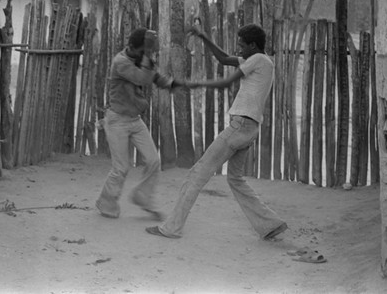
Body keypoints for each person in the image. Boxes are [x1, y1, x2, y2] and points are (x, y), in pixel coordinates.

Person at [146, 23, 288, 240]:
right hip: (249, 128)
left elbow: (225, 82)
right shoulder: (260, 61)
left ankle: (171, 228)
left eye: (242, 45)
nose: (239, 49)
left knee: (197, 173)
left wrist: (191, 84)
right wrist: (204, 36)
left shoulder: (258, 60)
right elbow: (223, 59)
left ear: (253, 45)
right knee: (236, 179)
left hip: (239, 126)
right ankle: (270, 224)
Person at [95, 27, 184, 221]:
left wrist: (170, 83)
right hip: (117, 120)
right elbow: (142, 78)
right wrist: (149, 54)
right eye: (141, 51)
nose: (144, 55)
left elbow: (153, 76)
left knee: (153, 161)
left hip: (134, 120)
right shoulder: (120, 62)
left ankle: (142, 197)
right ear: (131, 47)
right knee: (121, 168)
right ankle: (106, 202)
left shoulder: (138, 57)